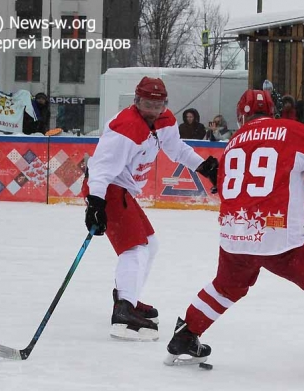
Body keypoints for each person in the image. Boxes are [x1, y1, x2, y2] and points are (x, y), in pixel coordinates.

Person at [165, 89, 304, 375]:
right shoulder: (291, 131)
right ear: (273, 112)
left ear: (241, 116)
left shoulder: (233, 142)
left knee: (227, 286)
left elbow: (228, 189)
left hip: (234, 232)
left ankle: (186, 334)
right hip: (277, 235)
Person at [82, 76, 218, 342]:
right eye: (147, 104)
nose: (153, 111)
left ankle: (127, 298)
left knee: (150, 244)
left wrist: (204, 167)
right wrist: (95, 203)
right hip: (108, 189)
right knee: (134, 249)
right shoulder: (126, 127)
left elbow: (176, 149)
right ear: (136, 101)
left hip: (124, 191)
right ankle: (123, 312)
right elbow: (100, 167)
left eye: (159, 105)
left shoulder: (165, 120)